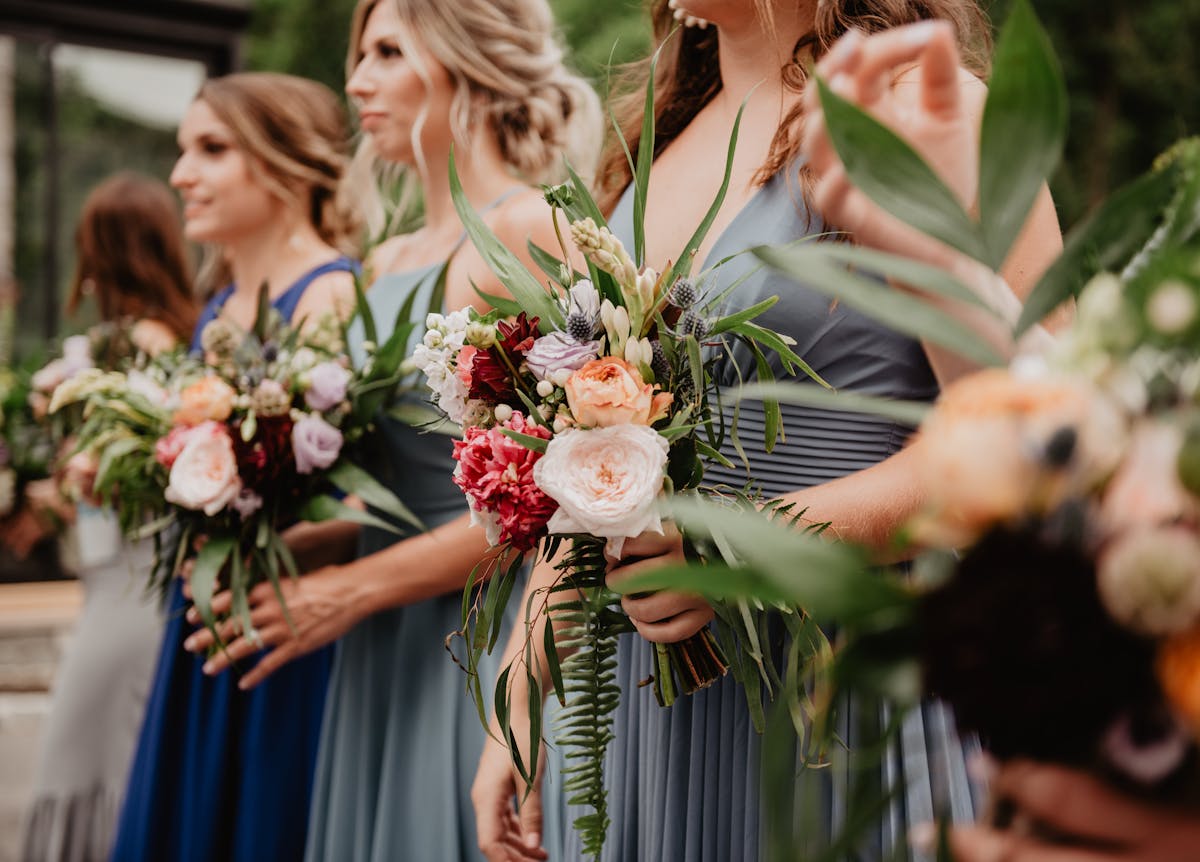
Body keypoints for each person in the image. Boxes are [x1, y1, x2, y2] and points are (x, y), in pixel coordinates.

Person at [471, 3, 1064, 860]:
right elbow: (589, 451)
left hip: (844, 681)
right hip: (650, 707)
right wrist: (521, 696)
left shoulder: (931, 109)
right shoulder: (657, 138)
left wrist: (737, 550)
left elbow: (1029, 431)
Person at [180, 2, 602, 860]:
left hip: (477, 632)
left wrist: (353, 588)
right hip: (372, 647)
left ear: (464, 60)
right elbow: (388, 486)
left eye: (386, 52)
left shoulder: (531, 230)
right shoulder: (389, 258)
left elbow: (565, 497)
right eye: (357, 54)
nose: (356, 80)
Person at [109, 72, 361, 862]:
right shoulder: (216, 305)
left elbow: (358, 508)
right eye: (184, 150)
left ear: (288, 164)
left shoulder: (333, 297)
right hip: (205, 619)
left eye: (211, 150)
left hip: (284, 638)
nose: (181, 174)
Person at [16, 172, 196, 862]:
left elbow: (123, 478)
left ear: (104, 252)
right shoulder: (173, 335)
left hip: (132, 578)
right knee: (107, 750)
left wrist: (58, 489)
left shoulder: (135, 344)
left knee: (87, 755)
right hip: (123, 576)